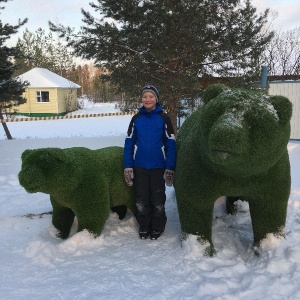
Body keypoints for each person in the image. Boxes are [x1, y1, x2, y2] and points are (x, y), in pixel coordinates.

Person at [123, 84, 176, 240]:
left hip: (159, 167)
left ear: (157, 99)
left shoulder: (164, 118)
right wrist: (128, 166)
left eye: (151, 96)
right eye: (145, 96)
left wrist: (170, 168)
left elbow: (171, 144)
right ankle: (144, 225)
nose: (148, 99)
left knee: (158, 199)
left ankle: (158, 225)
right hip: (139, 166)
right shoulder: (136, 119)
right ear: (141, 99)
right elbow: (129, 143)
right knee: (141, 198)